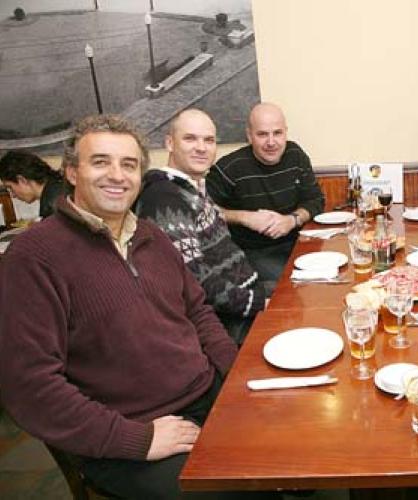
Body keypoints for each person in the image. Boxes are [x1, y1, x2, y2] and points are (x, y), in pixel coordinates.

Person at [0, 114, 274, 499]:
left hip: (205, 392)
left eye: (128, 165)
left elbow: (198, 312)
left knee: (288, 445)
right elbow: (28, 385)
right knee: (237, 487)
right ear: (72, 173)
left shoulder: (152, 237)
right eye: (101, 162)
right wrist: (138, 439)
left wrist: (233, 373)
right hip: (128, 432)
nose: (117, 175)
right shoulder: (33, 257)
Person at [135, 108, 266, 344]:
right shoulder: (164, 197)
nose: (201, 147)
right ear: (170, 143)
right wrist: (259, 303)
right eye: (190, 139)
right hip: (227, 320)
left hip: (245, 293)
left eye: (209, 140)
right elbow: (195, 280)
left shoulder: (188, 186)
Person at [206, 102, 325, 289]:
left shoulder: (296, 155)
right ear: (249, 136)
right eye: (262, 134)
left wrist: (292, 220)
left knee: (330, 274)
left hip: (298, 242)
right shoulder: (229, 168)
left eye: (277, 133)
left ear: (285, 133)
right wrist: (244, 217)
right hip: (255, 252)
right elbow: (201, 212)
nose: (271, 142)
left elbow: (316, 199)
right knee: (296, 284)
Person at [0, 149, 65, 218]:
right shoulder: (58, 184)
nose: (12, 195)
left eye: (10, 187)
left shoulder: (51, 207)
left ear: (22, 180)